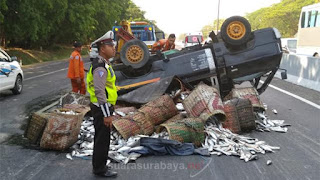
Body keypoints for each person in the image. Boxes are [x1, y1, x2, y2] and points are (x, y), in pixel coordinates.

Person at [86, 31, 118, 178]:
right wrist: (107, 114)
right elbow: (100, 91)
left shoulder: (104, 63)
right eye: (111, 45)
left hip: (101, 107)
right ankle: (100, 169)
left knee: (102, 138)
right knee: (102, 140)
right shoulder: (100, 65)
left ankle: (99, 165)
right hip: (101, 108)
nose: (114, 47)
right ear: (102, 48)